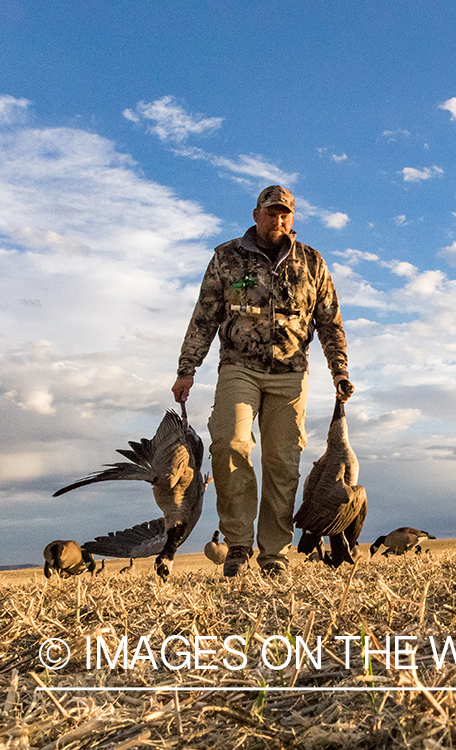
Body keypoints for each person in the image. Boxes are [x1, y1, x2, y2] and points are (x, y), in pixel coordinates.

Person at [171, 185, 351, 578]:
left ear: (293, 217)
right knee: (230, 444)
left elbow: (329, 322)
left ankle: (275, 555)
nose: (278, 219)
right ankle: (237, 544)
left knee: (283, 463)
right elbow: (204, 315)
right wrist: (188, 368)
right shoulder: (226, 257)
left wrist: (340, 371)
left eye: (285, 213)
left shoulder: (312, 262)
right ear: (256, 215)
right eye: (271, 212)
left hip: (290, 375)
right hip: (239, 368)